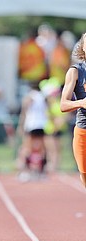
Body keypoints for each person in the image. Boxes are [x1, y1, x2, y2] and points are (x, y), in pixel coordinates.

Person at [60, 32, 86, 187]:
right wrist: (81, 103)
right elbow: (63, 105)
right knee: (84, 173)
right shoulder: (76, 71)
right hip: (83, 129)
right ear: (82, 47)